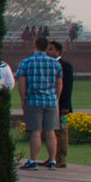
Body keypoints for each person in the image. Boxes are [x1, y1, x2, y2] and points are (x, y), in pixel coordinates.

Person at [15, 37, 60, 170]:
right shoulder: (55, 63)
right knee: (50, 132)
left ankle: (33, 160)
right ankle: (52, 160)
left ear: (35, 45)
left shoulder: (26, 62)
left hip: (33, 100)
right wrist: (56, 98)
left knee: (36, 132)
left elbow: (22, 83)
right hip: (51, 100)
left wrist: (23, 99)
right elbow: (59, 82)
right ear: (47, 47)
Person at [51, 39, 74, 168]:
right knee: (50, 131)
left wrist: (66, 105)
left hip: (61, 104)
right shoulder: (48, 64)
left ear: (58, 51)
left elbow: (67, 87)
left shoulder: (65, 65)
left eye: (51, 49)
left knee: (61, 132)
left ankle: (61, 158)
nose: (48, 52)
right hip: (49, 102)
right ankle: (52, 157)